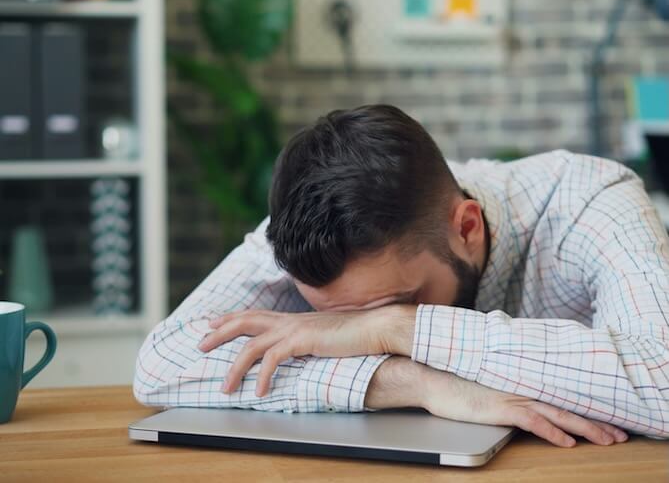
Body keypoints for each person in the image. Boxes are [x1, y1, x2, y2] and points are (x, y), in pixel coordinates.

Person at [134, 105, 669, 447]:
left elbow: (663, 382)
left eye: (393, 302)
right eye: (332, 318)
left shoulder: (590, 202)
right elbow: (162, 363)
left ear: (466, 227)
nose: (349, 330)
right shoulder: (307, 228)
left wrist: (397, 329)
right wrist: (411, 381)